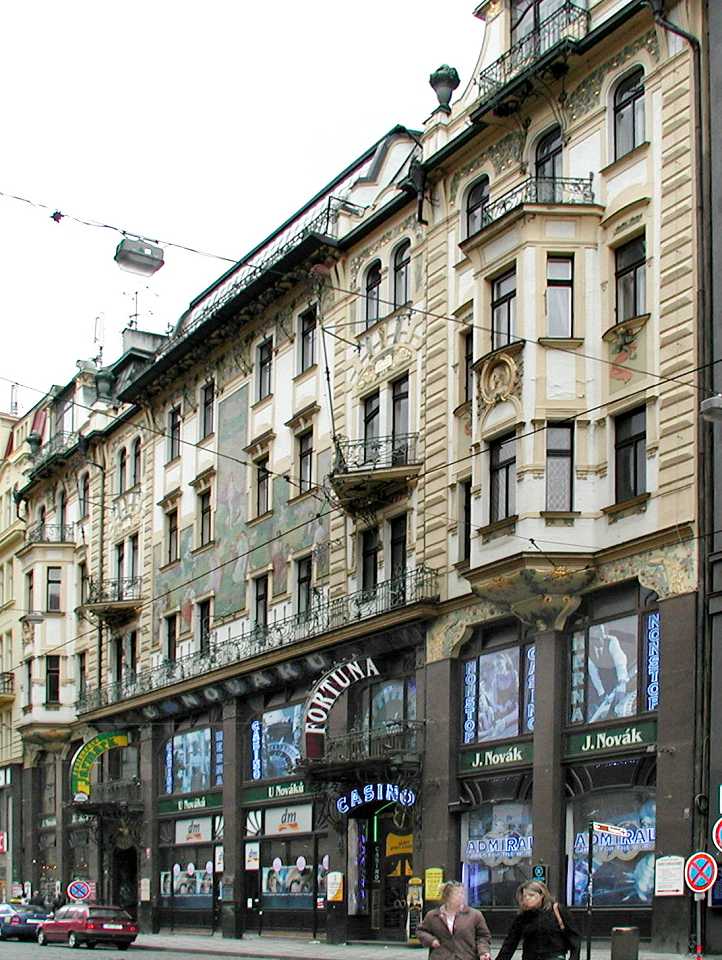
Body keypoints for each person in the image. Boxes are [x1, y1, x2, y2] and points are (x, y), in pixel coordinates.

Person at [495, 881, 580, 960]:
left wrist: (574, 957)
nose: (527, 898)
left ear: (542, 895)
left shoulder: (557, 910)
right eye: (524, 896)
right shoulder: (523, 916)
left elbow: (574, 937)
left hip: (554, 956)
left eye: (531, 895)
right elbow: (510, 943)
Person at [418, 881, 491, 960]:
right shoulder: (433, 915)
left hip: (467, 957)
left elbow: (483, 936)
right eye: (457, 893)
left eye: (462, 893)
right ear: (447, 896)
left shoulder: (475, 915)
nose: (461, 896)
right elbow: (421, 931)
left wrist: (483, 952)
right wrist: (431, 940)